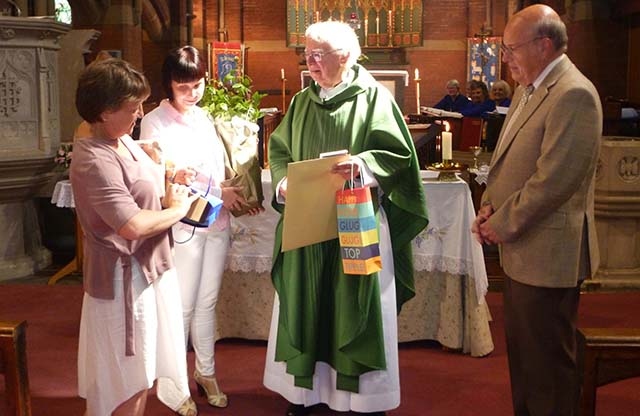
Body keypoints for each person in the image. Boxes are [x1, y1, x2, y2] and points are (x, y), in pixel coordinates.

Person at [263, 21, 429, 416]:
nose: (310, 62)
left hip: (357, 221)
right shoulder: (302, 102)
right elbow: (280, 150)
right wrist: (284, 182)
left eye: (319, 55)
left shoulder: (374, 98)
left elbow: (398, 155)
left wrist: (364, 165)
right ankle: (305, 395)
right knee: (306, 299)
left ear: (347, 57)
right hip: (308, 222)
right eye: (307, 53)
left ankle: (360, 400)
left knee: (355, 305)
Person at [472, 4, 602, 415]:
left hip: (548, 253)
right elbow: (511, 162)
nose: (505, 58)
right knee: (526, 361)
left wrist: (500, 225)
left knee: (547, 367)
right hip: (524, 248)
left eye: (511, 49)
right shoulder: (533, 89)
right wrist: (489, 207)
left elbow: (553, 183)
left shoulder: (573, 94)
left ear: (543, 46)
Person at [71, 58, 199, 416]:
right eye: (132, 108)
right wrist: (179, 210)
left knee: (144, 373)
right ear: (103, 111)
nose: (139, 114)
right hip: (122, 282)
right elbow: (133, 225)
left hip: (147, 271)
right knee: (125, 380)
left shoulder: (120, 139)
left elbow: (140, 175)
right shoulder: (94, 159)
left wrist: (166, 168)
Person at [139, 45, 256, 411]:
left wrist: (234, 189)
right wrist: (219, 189)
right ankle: (173, 383)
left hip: (216, 219)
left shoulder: (204, 118)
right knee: (182, 306)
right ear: (169, 85)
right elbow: (165, 175)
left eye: (198, 84)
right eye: (183, 86)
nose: (192, 94)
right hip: (183, 222)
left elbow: (214, 167)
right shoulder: (154, 122)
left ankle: (205, 372)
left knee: (207, 302)